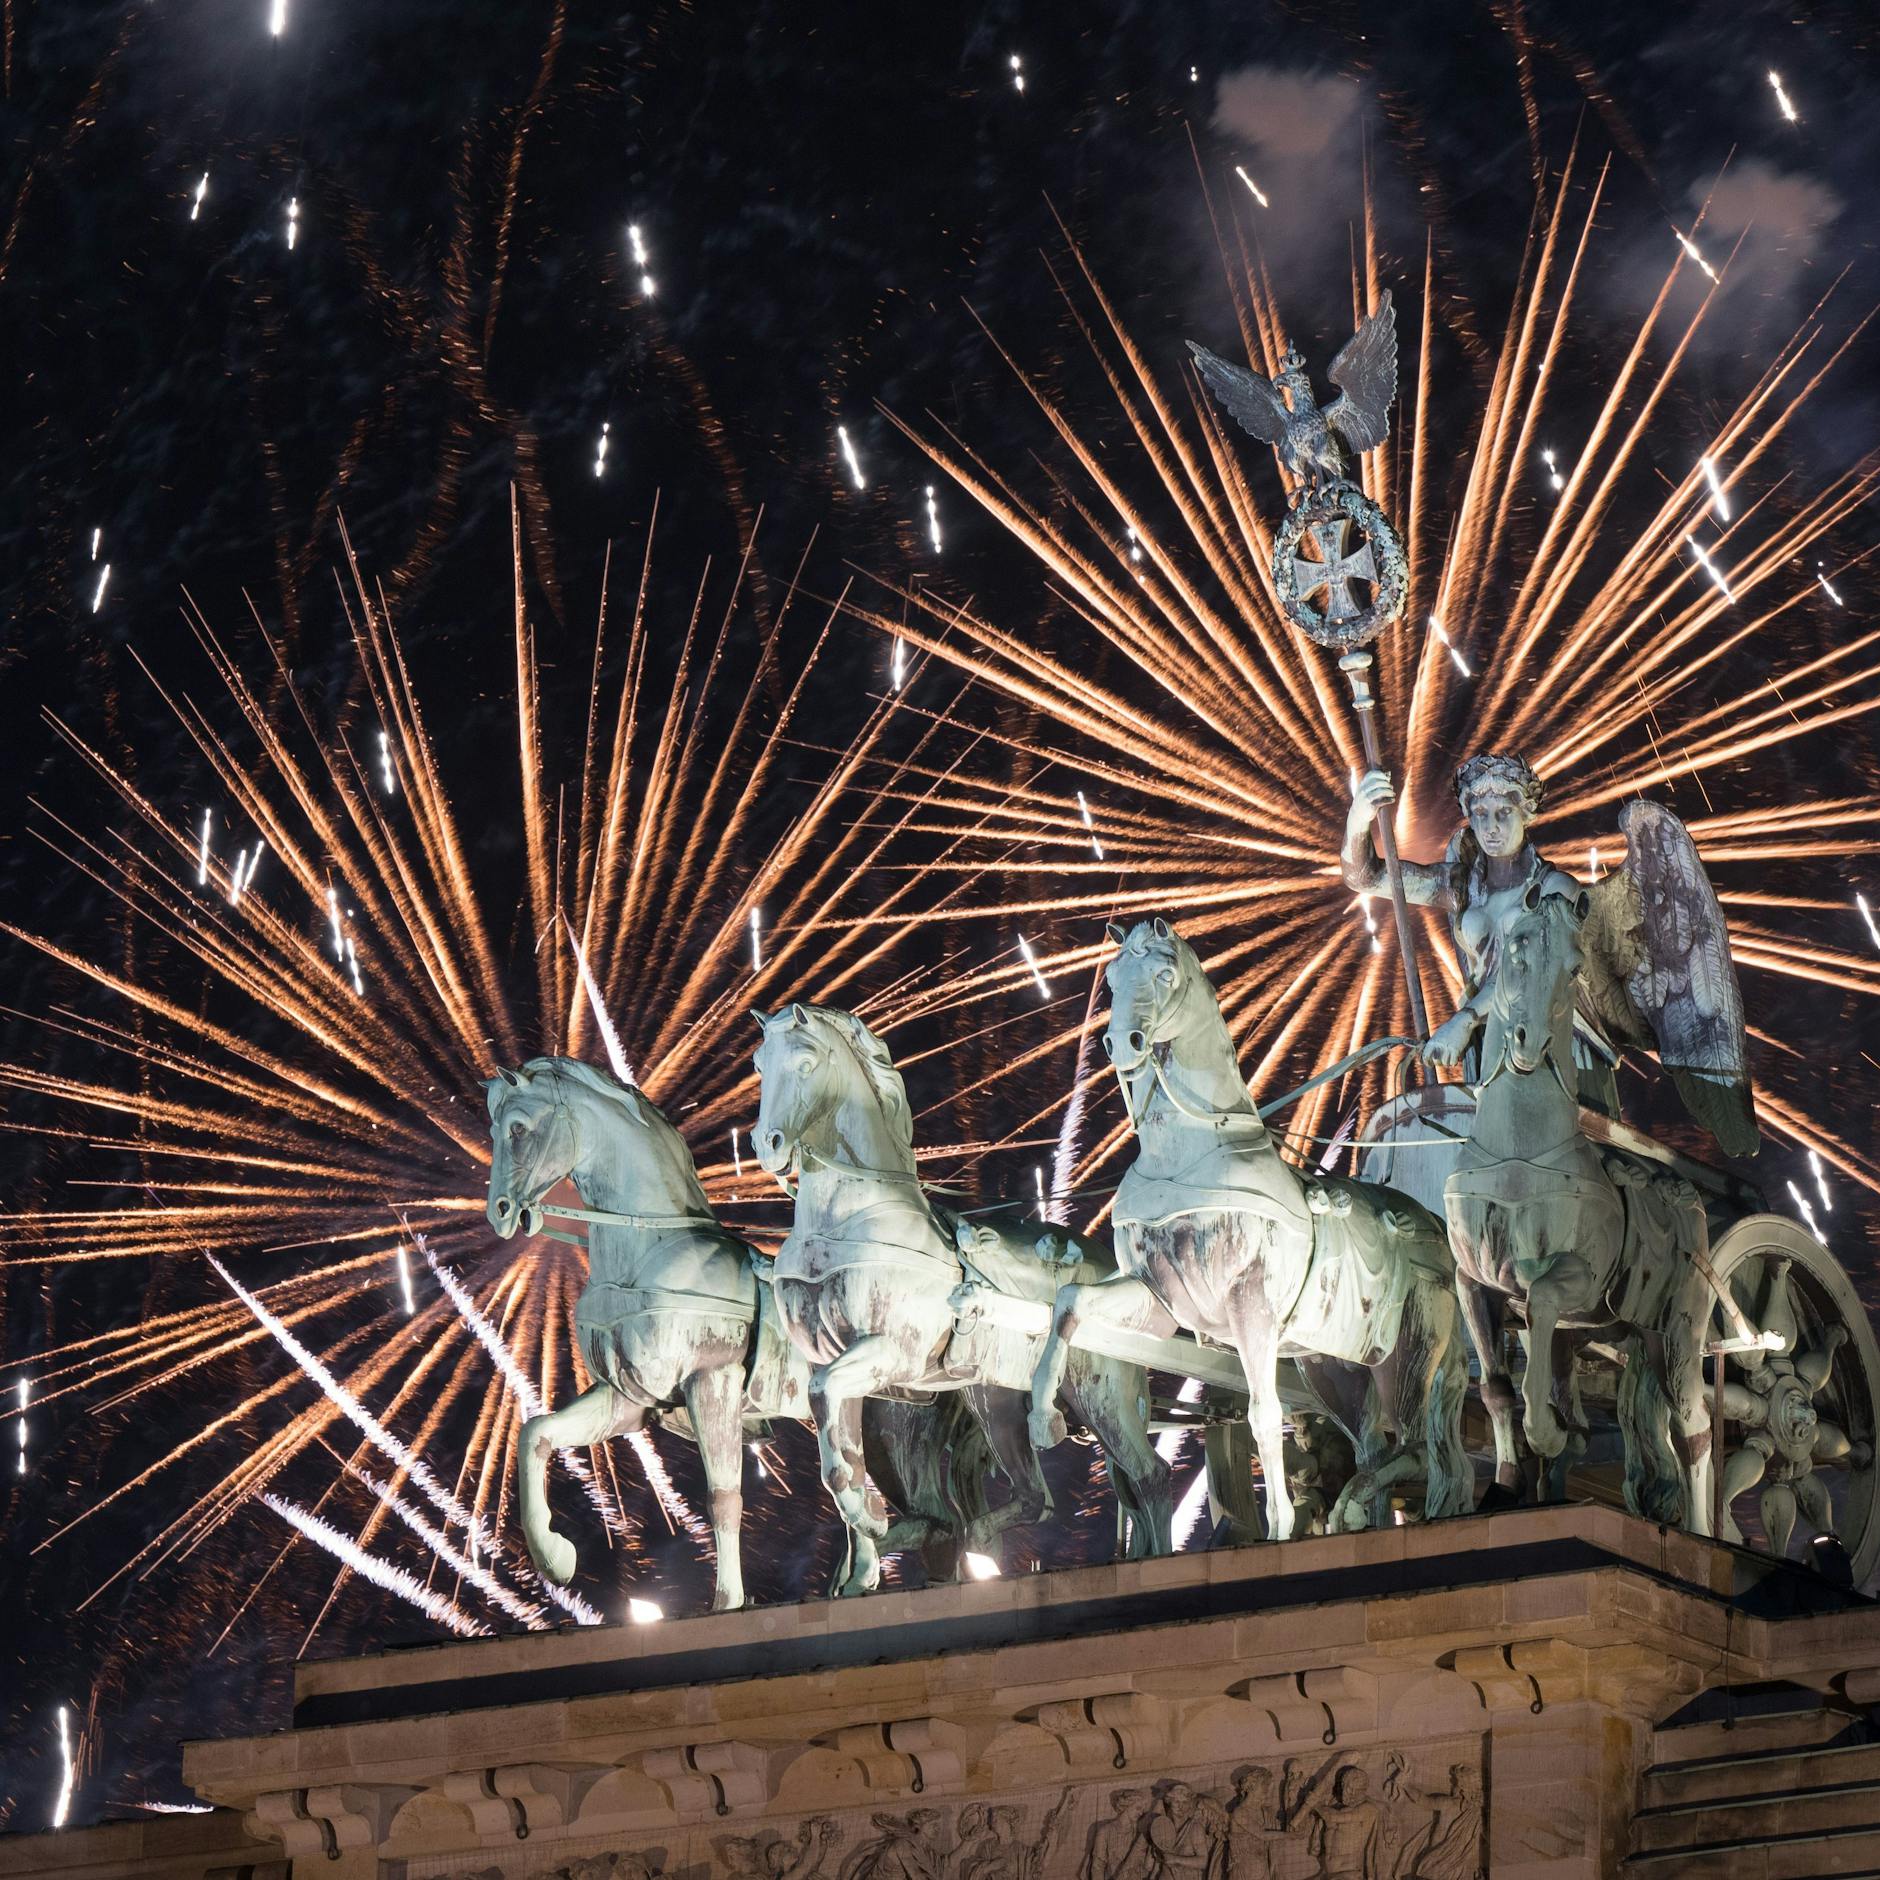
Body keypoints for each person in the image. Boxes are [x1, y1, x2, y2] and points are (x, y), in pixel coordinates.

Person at [1342, 754, 1606, 1094]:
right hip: (1485, 1041)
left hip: (1549, 1042)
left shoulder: (1555, 891)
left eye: (1503, 813)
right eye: (1480, 814)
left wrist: (1464, 1019)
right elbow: (1368, 878)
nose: (1490, 826)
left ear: (1527, 813)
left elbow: (1529, 976)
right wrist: (1359, 818)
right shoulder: (1461, 887)